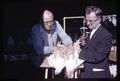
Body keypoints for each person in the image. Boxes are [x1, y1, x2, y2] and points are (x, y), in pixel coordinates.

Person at [79, 6, 112, 78]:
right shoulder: (91, 32)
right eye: (86, 20)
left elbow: (98, 56)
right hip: (86, 73)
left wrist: (79, 52)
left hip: (97, 74)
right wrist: (83, 44)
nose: (87, 23)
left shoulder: (106, 35)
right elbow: (91, 48)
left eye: (90, 21)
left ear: (99, 20)